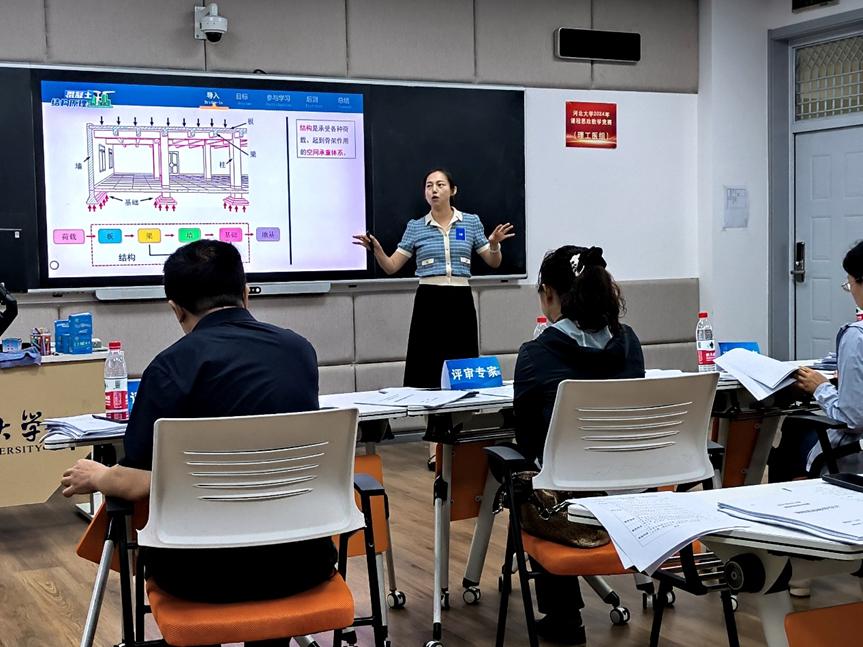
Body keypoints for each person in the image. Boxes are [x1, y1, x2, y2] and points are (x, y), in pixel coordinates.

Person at [60, 240, 335, 617]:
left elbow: (139, 480)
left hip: (198, 576)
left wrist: (98, 475)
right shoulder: (299, 351)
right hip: (302, 564)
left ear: (176, 309)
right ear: (245, 293)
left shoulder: (170, 367)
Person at [512, 245, 645, 645]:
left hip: (570, 509)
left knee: (529, 476)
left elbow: (528, 440)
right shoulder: (630, 343)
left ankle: (563, 616)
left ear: (550, 294)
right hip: (634, 499)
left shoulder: (536, 354)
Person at [353, 168, 515, 387]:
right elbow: (391, 267)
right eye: (429, 186)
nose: (434, 190)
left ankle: (460, 409)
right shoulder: (416, 227)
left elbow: (493, 262)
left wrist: (494, 244)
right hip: (429, 299)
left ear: (453, 190)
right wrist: (377, 250)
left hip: (461, 299)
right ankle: (428, 410)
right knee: (426, 365)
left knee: (462, 365)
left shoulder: (470, 222)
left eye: (440, 185)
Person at [774, 240, 863, 479]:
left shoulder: (856, 337)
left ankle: (793, 493)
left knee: (795, 426)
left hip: (854, 454)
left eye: (849, 284)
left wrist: (820, 387)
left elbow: (853, 419)